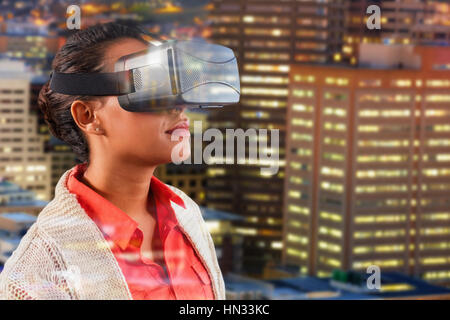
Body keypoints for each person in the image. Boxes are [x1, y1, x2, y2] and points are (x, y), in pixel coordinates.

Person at [0, 22, 225, 300]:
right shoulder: (35, 274)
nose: (178, 105)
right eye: (149, 87)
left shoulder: (186, 214)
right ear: (87, 116)